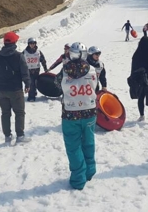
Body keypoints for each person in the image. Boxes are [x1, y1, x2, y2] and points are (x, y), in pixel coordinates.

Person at [60, 42, 97, 190]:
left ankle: (78, 178)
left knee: (73, 146)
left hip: (70, 114)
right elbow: (97, 86)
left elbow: (57, 86)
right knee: (88, 141)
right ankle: (90, 170)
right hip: (89, 112)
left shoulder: (64, 70)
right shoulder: (93, 69)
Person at [0, 32, 32, 144]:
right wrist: (27, 84)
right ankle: (20, 136)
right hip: (15, 90)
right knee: (19, 113)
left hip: (1, 90)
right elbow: (25, 72)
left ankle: (7, 136)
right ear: (14, 42)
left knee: (5, 113)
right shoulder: (19, 56)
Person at [23, 37, 48, 102]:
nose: (32, 44)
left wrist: (45, 68)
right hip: (28, 70)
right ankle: (31, 97)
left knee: (35, 82)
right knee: (30, 83)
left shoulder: (38, 52)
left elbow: (43, 60)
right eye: (31, 43)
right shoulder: (25, 52)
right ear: (28, 44)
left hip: (36, 70)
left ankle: (34, 92)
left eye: (33, 43)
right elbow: (20, 61)